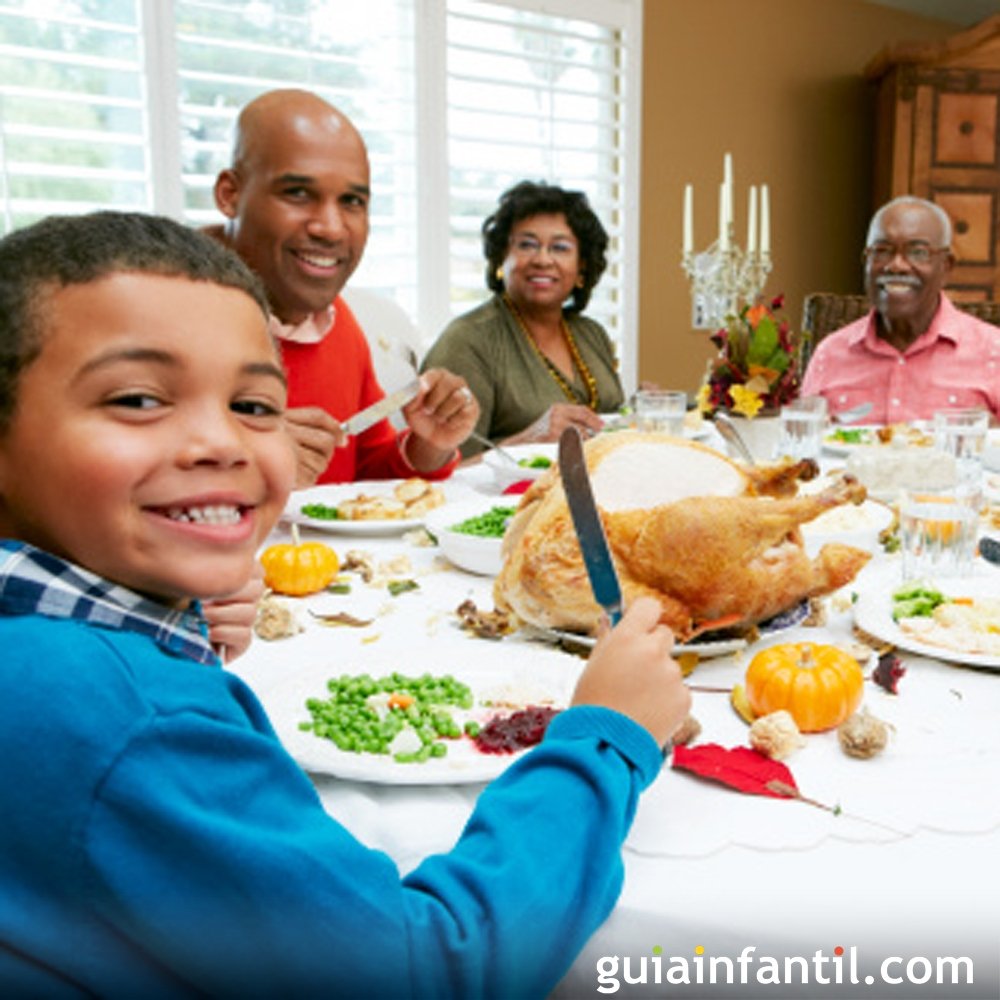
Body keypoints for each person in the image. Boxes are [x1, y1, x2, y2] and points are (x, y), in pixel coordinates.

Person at [0, 211, 691, 995]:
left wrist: (174, 623)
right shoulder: (123, 719)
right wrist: (610, 736)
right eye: (135, 399)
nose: (222, 443)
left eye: (255, 406)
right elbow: (428, 968)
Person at [207, 88, 479, 487]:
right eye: (298, 193)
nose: (331, 228)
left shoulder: (338, 323)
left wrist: (426, 447)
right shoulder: (167, 317)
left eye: (352, 201)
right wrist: (250, 463)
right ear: (230, 195)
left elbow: (365, 476)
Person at [422, 180, 626, 458]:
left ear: (582, 269)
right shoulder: (468, 341)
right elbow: (444, 471)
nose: (542, 260)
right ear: (500, 260)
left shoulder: (591, 334)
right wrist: (529, 440)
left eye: (560, 247)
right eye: (527, 244)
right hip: (507, 499)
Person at [801, 195, 1000, 423]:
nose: (896, 265)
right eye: (882, 250)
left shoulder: (994, 352)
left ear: (946, 266)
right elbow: (802, 447)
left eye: (918, 252)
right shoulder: (830, 355)